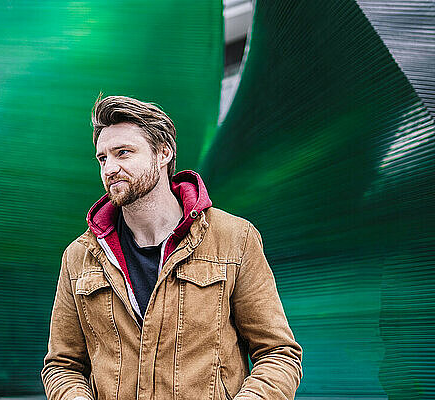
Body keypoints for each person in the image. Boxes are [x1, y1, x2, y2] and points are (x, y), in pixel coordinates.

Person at [41, 95, 302, 399]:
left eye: (123, 153)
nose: (110, 168)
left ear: (163, 153)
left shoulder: (234, 239)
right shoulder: (79, 256)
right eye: (102, 158)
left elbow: (278, 354)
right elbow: (62, 365)